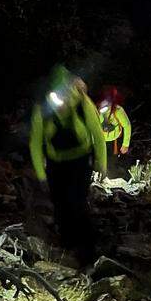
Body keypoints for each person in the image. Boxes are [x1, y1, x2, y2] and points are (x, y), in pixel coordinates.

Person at [29, 65, 107, 265]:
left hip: (80, 161)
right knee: (60, 205)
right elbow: (36, 143)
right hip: (56, 163)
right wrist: (41, 174)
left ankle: (88, 253)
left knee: (77, 202)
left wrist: (102, 162)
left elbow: (97, 133)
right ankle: (67, 246)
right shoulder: (43, 109)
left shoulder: (83, 103)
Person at [96, 86, 132, 176]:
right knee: (100, 163)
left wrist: (125, 144)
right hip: (101, 141)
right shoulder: (97, 110)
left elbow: (127, 126)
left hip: (114, 141)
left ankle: (114, 180)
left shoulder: (118, 110)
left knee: (111, 163)